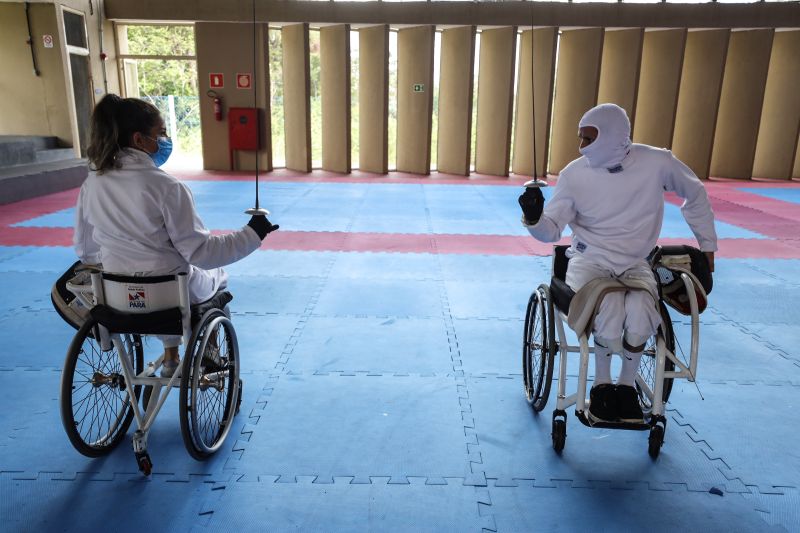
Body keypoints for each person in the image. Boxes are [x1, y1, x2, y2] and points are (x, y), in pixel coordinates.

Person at [518, 103, 717, 423]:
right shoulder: (574, 174)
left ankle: (625, 388)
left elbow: (694, 193)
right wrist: (533, 216)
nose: (581, 147)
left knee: (641, 311)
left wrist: (707, 245)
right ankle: (600, 386)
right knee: (609, 309)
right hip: (589, 260)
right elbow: (551, 230)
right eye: (580, 139)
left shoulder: (656, 162)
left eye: (588, 138)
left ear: (613, 135)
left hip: (636, 261)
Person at [74, 94, 278, 377]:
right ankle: (211, 358)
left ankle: (171, 356)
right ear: (139, 139)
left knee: (162, 278)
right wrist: (252, 234)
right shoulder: (167, 187)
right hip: (170, 297)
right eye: (160, 133)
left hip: (115, 298)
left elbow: (86, 251)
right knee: (215, 277)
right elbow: (202, 254)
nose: (165, 140)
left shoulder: (92, 184)